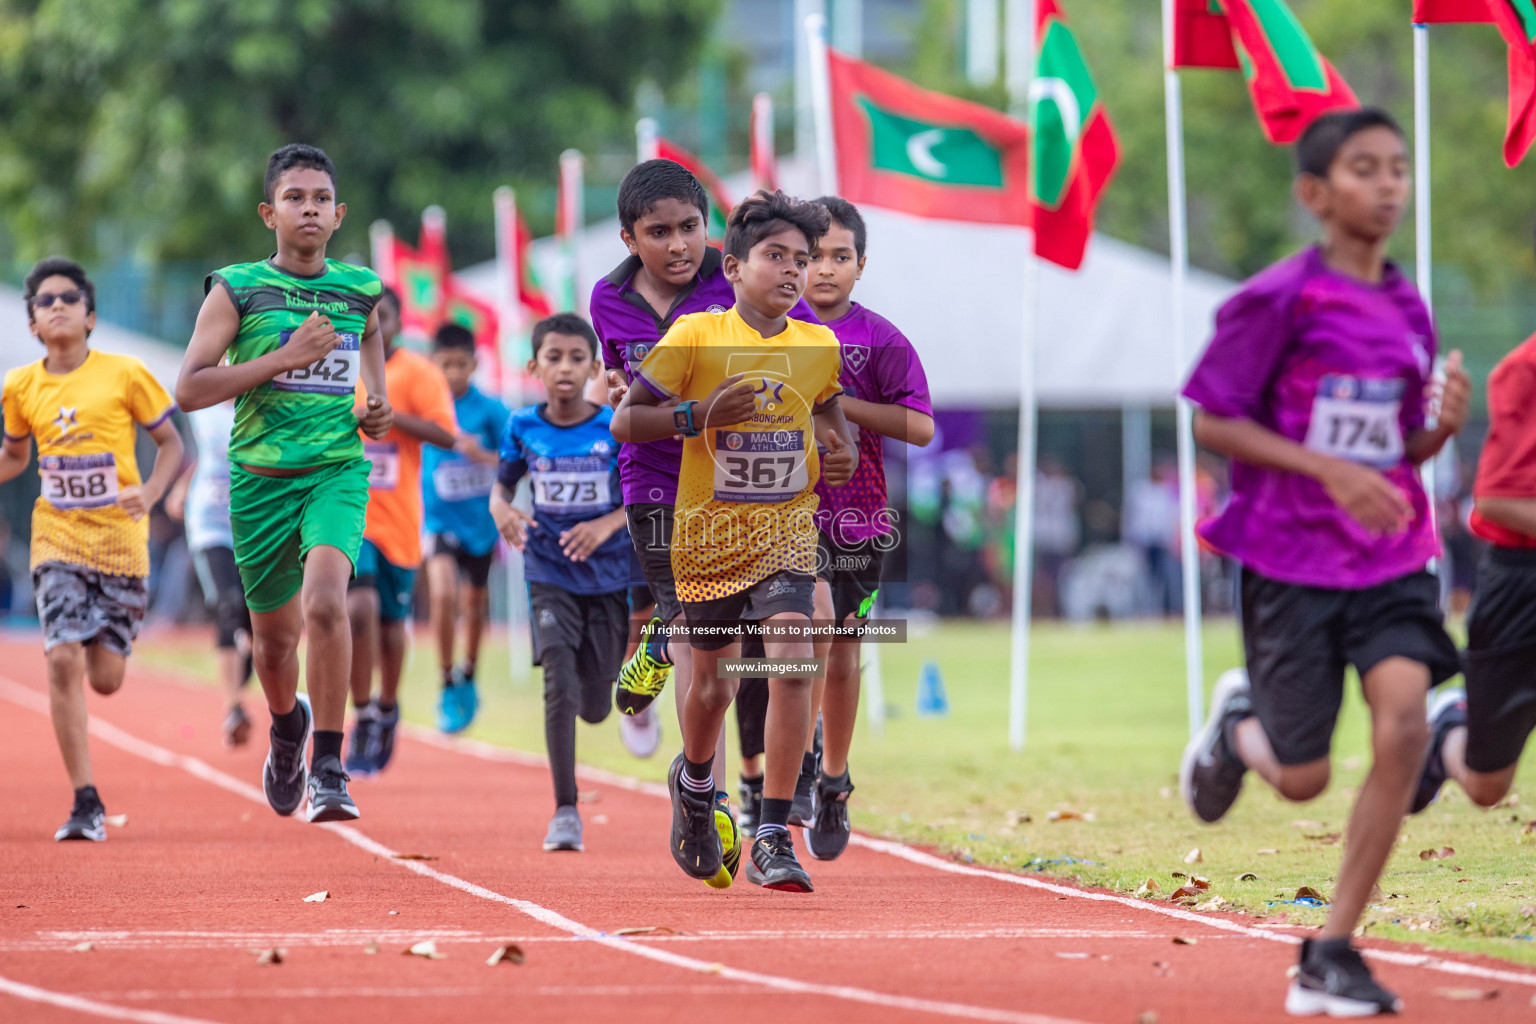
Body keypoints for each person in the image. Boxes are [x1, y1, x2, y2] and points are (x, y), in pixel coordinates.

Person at [1177, 109, 1470, 1017]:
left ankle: (1332, 948)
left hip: (1389, 556)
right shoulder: (1277, 300)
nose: (1387, 185)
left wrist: (1438, 431)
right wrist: (1327, 470)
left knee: (1404, 730)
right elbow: (1212, 421)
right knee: (1301, 774)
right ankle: (1236, 729)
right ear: (1316, 192)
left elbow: (1395, 448)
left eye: (1397, 168)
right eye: (1364, 169)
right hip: (1289, 558)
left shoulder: (1407, 305)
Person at [613, 190, 856, 893]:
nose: (792, 271)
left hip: (786, 532)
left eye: (803, 260)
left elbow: (827, 409)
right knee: (714, 687)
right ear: (733, 265)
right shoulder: (694, 338)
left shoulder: (819, 344)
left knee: (793, 654)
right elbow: (628, 424)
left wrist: (834, 446)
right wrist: (699, 414)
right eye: (775, 256)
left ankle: (774, 832)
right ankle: (694, 782)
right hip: (708, 538)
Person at [176, 143, 393, 824]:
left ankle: (330, 766)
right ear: (270, 212)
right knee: (273, 645)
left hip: (335, 472)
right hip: (259, 482)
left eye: (321, 200)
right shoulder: (235, 288)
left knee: (329, 603)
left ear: (338, 214)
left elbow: (371, 335)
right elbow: (189, 388)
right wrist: (283, 357)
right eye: (295, 198)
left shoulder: (359, 287)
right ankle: (287, 727)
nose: (309, 209)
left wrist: (377, 399)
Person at [592, 159, 818, 785]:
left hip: (738, 486)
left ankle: (660, 646)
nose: (678, 245)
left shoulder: (738, 277)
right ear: (629, 240)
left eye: (690, 227)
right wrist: (619, 391)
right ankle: (707, 798)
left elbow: (801, 347)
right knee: (705, 642)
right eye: (659, 233)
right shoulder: (608, 298)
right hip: (655, 479)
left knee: (742, 638)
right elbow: (621, 384)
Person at [0, 258, 184, 841]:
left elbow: (172, 444)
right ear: (31, 323)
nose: (57, 306)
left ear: (91, 316)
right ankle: (85, 800)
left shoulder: (126, 373)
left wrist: (151, 492)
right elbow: (15, 457)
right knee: (61, 657)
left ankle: (88, 794)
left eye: (68, 298)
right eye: (45, 301)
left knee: (105, 678)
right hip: (56, 536)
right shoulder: (20, 386)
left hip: (122, 544)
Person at [794, 195, 933, 858]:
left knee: (845, 649)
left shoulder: (880, 338)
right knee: (807, 624)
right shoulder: (769, 329)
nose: (824, 269)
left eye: (838, 257)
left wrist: (843, 404)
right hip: (780, 516)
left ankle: (833, 777)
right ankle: (792, 757)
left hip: (860, 518)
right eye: (812, 256)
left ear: (860, 264)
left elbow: (921, 427)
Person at [490, 313, 630, 853]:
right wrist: (501, 510)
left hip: (609, 575)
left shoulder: (612, 427)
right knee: (558, 681)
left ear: (595, 367)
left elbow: (639, 501)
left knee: (596, 704)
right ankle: (565, 810)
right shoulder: (521, 425)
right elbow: (501, 490)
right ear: (534, 366)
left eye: (577, 358)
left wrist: (605, 524)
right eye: (554, 357)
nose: (565, 368)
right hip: (547, 570)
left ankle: (606, 687)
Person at [1413, 226, 1536, 814]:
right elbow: (1494, 502)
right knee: (1489, 785)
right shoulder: (1522, 372)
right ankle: (1447, 734)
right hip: (1522, 585)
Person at [344, 289, 457, 775]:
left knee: (392, 627)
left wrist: (387, 415)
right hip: (349, 513)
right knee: (359, 607)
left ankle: (388, 708)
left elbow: (447, 434)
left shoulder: (419, 373)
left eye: (382, 315)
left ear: (395, 321)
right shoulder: (338, 369)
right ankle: (363, 710)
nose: (374, 324)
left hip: (401, 522)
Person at [422, 323, 509, 734]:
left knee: (474, 605)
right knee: (441, 596)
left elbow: (517, 458)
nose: (453, 373)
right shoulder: (426, 405)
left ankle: (469, 674)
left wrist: (483, 456)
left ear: (474, 363)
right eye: (445, 365)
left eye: (461, 364)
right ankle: (445, 679)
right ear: (432, 365)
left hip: (481, 523)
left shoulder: (490, 410)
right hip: (438, 519)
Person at [166, 399, 254, 746]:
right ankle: (233, 709)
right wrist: (183, 487)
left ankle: (244, 662)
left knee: (254, 617)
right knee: (227, 605)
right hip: (209, 524)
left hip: (251, 526)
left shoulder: (259, 400)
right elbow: (206, 452)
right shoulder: (201, 405)